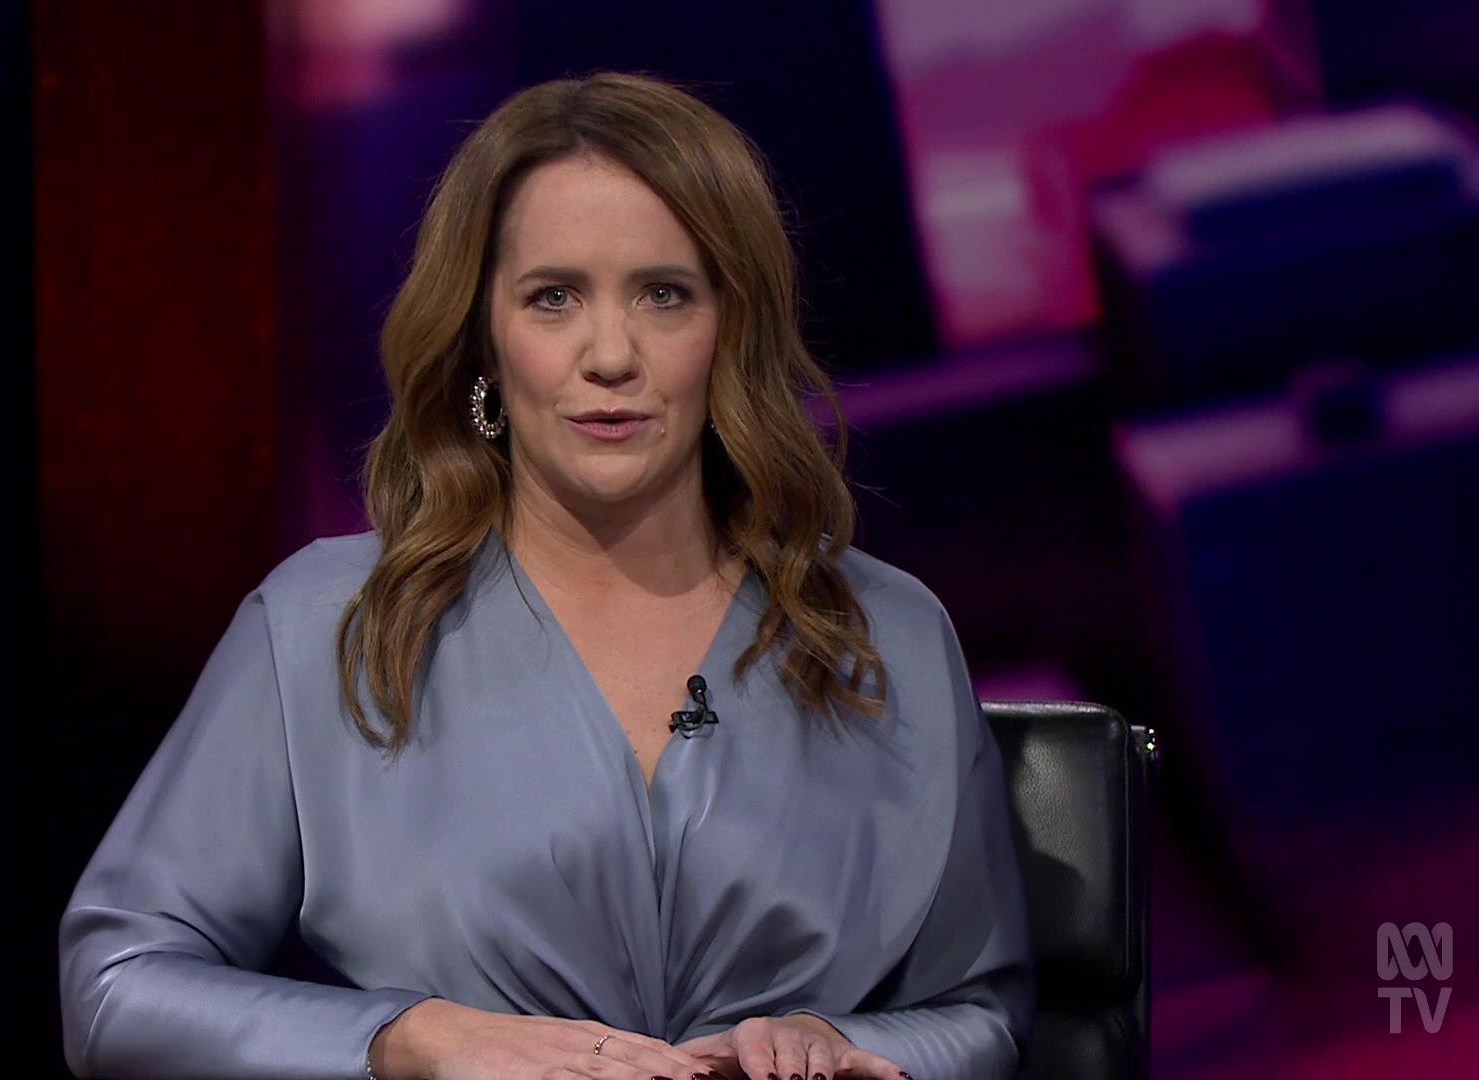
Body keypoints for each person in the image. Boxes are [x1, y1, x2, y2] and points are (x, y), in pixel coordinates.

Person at [57, 71, 1034, 1080]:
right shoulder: (324, 627)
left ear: (730, 329)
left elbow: (984, 1014)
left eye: (664, 294)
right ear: (484, 336)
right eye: (553, 297)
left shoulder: (885, 633)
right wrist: (410, 1038)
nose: (610, 354)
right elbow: (115, 984)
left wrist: (842, 1044)